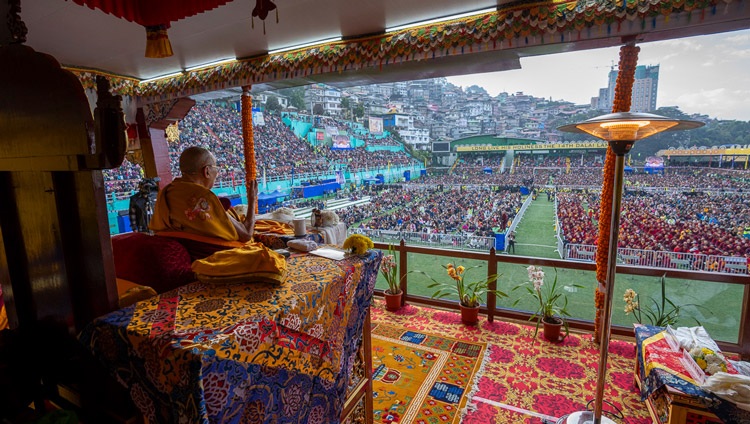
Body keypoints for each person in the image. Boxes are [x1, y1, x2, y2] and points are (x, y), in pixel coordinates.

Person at [150, 146, 256, 242]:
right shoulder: (204, 198)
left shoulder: (167, 192)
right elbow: (246, 235)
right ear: (207, 171)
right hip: (213, 257)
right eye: (216, 169)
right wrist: (252, 200)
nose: (217, 174)